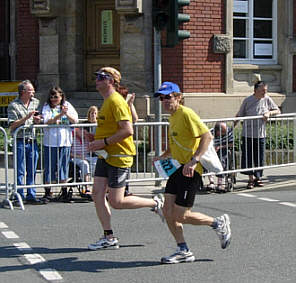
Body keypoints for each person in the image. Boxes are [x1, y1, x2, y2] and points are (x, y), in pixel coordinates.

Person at [153, 82, 231, 264]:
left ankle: (218, 223)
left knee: (181, 215)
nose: (164, 101)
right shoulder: (172, 117)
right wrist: (162, 156)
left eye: (168, 97)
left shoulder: (186, 114)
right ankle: (183, 250)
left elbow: (207, 136)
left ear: (178, 97)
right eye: (162, 98)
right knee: (167, 211)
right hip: (177, 168)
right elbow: (176, 143)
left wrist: (194, 160)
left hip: (191, 170)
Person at [88, 66, 164, 250]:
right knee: (97, 194)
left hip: (119, 156)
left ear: (111, 81)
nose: (97, 79)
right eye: (97, 76)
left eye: (101, 76)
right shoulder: (106, 101)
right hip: (105, 155)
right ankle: (109, 237)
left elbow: (128, 130)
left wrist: (103, 142)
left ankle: (156, 203)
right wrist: (96, 140)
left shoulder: (116, 101)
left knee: (117, 202)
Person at [236, 80, 281, 189]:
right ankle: (250, 179)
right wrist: (232, 125)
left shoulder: (267, 99)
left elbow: (277, 110)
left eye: (265, 90)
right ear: (255, 90)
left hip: (260, 134)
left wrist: (269, 113)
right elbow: (239, 114)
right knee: (248, 157)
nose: (264, 93)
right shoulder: (248, 100)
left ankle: (258, 178)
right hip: (248, 134)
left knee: (259, 157)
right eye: (262, 91)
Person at [7, 80, 46, 204]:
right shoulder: (14, 105)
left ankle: (31, 194)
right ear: (23, 92)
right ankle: (19, 194)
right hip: (20, 141)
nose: (33, 92)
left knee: (32, 169)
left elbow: (40, 118)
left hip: (32, 140)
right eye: (31, 90)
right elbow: (12, 125)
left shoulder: (36, 103)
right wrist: (27, 118)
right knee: (20, 170)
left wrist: (38, 120)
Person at [42, 86, 79, 201]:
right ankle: (48, 191)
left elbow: (75, 120)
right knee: (49, 167)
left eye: (56, 97)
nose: (53, 99)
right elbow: (47, 121)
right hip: (50, 141)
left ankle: (64, 190)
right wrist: (59, 115)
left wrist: (66, 114)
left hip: (64, 141)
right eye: (52, 97)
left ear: (61, 97)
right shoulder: (47, 107)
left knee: (64, 166)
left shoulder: (67, 105)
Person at [70, 106, 98, 196]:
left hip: (88, 155)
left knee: (100, 162)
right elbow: (69, 153)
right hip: (77, 157)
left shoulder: (86, 138)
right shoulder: (72, 138)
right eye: (79, 130)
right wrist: (80, 157)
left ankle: (102, 188)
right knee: (85, 164)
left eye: (95, 113)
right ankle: (87, 188)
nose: (82, 132)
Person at [207, 122, 234, 192]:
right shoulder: (210, 132)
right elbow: (205, 143)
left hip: (224, 148)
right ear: (218, 131)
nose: (225, 133)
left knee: (222, 160)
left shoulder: (229, 131)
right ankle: (211, 182)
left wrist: (220, 147)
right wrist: (213, 148)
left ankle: (220, 183)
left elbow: (232, 144)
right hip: (211, 149)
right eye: (223, 132)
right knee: (208, 160)